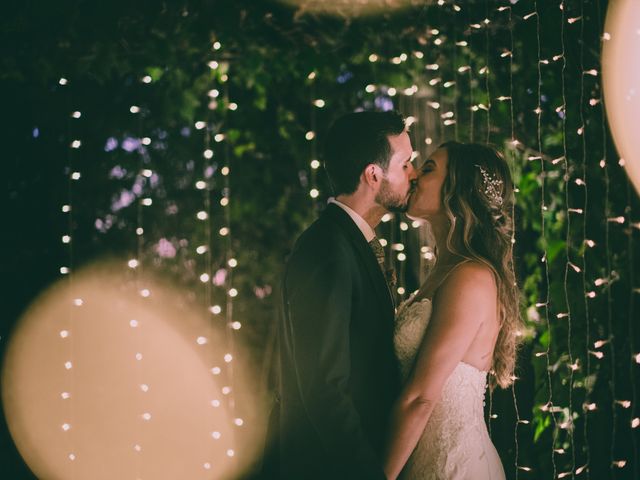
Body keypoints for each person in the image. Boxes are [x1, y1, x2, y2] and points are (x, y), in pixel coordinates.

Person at [264, 110, 417, 479]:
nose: (414, 173)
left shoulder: (351, 242)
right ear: (373, 174)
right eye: (406, 164)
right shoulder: (327, 249)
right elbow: (324, 388)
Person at [383, 141, 522, 479]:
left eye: (428, 169)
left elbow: (420, 398)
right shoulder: (444, 270)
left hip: (454, 467)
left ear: (456, 190)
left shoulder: (470, 277)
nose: (414, 176)